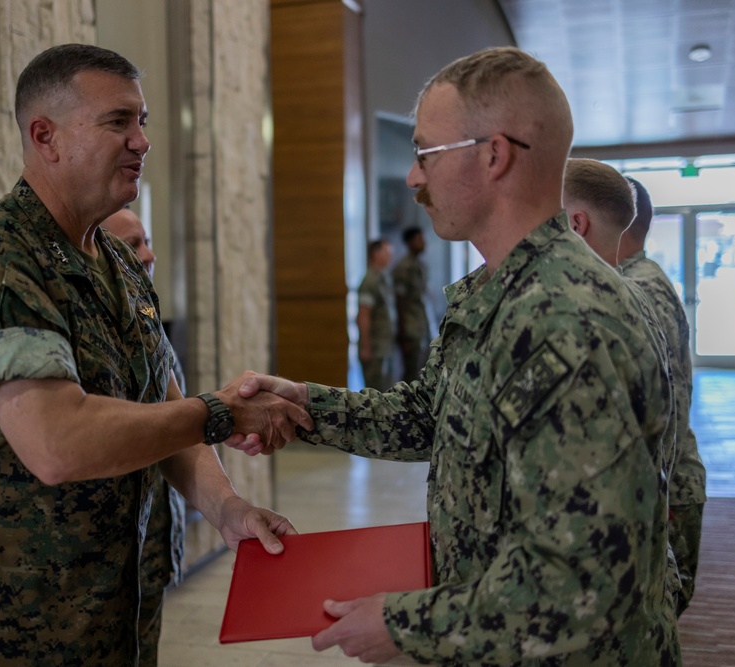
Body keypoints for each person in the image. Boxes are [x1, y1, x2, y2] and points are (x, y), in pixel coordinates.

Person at [231, 46, 680, 665]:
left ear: (493, 155)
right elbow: (433, 416)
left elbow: (581, 583)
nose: (414, 177)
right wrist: (309, 406)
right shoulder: (500, 292)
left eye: (424, 154)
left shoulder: (568, 320)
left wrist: (401, 623)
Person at [0, 43, 311, 667]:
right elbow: (58, 444)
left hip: (106, 621)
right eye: (118, 122)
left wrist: (228, 509)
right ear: (45, 137)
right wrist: (220, 412)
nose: (141, 141)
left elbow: (164, 405)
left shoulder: (115, 262)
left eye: (143, 122)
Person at [563, 161, 707, 616]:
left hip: (660, 493)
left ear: (578, 223)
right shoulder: (640, 280)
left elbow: (655, 413)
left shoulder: (632, 292)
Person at [100, 206, 185, 665]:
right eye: (132, 244)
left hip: (151, 547)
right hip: (111, 560)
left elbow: (173, 424)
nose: (148, 254)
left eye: (146, 240)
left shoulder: (147, 318)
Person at [392, 225, 433, 382]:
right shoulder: (403, 268)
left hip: (423, 326)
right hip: (411, 329)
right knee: (411, 375)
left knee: (424, 373)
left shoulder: (420, 265)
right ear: (409, 242)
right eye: (419, 239)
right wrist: (403, 334)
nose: (424, 243)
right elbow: (399, 301)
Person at [356, 239, 395, 389]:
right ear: (376, 254)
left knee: (386, 389)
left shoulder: (383, 278)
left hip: (385, 346)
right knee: (375, 391)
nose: (390, 256)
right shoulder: (370, 280)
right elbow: (364, 315)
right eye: (387, 252)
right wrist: (366, 346)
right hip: (375, 347)